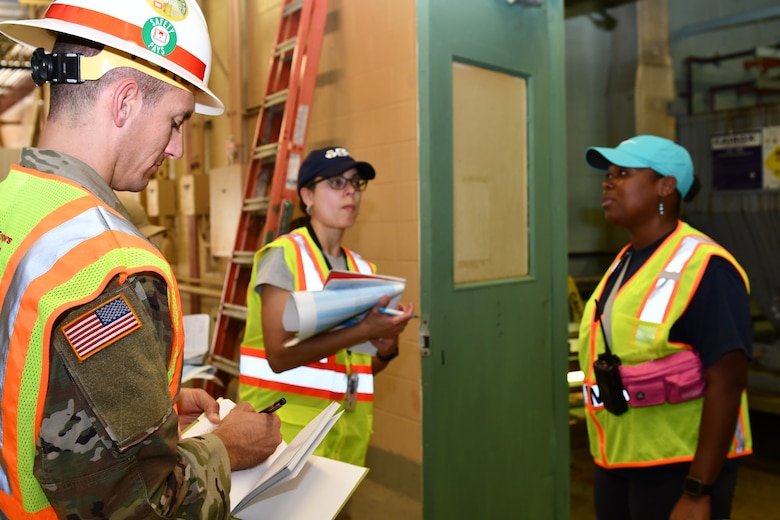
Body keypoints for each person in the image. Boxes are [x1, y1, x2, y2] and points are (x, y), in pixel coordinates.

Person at [0, 1, 282, 518]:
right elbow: (139, 505)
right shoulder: (105, 266)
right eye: (176, 121)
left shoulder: (13, 206)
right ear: (125, 101)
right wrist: (228, 448)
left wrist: (156, 411)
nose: (177, 148)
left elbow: (31, 393)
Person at [578, 135, 753, 520]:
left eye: (623, 173)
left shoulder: (707, 267)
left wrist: (698, 490)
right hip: (620, 457)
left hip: (681, 467)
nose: (607, 182)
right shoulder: (627, 261)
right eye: (608, 174)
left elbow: (728, 380)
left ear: (665, 186)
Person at [239, 147, 415, 469]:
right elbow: (278, 357)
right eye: (336, 183)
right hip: (283, 437)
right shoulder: (282, 256)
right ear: (307, 195)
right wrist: (364, 330)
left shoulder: (363, 270)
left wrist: (386, 348)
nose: (350, 191)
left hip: (343, 439)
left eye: (355, 183)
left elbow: (356, 371)